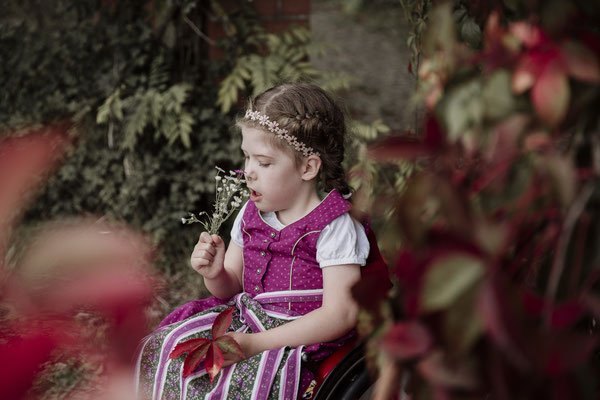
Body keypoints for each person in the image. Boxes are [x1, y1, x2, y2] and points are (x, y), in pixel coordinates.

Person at [136, 83, 370, 400]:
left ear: (307, 167)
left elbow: (340, 314)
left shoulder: (333, 226)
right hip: (247, 321)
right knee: (167, 348)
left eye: (264, 162)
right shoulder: (251, 213)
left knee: (241, 382)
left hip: (298, 337)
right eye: (246, 158)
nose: (248, 172)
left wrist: (255, 345)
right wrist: (216, 274)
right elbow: (229, 287)